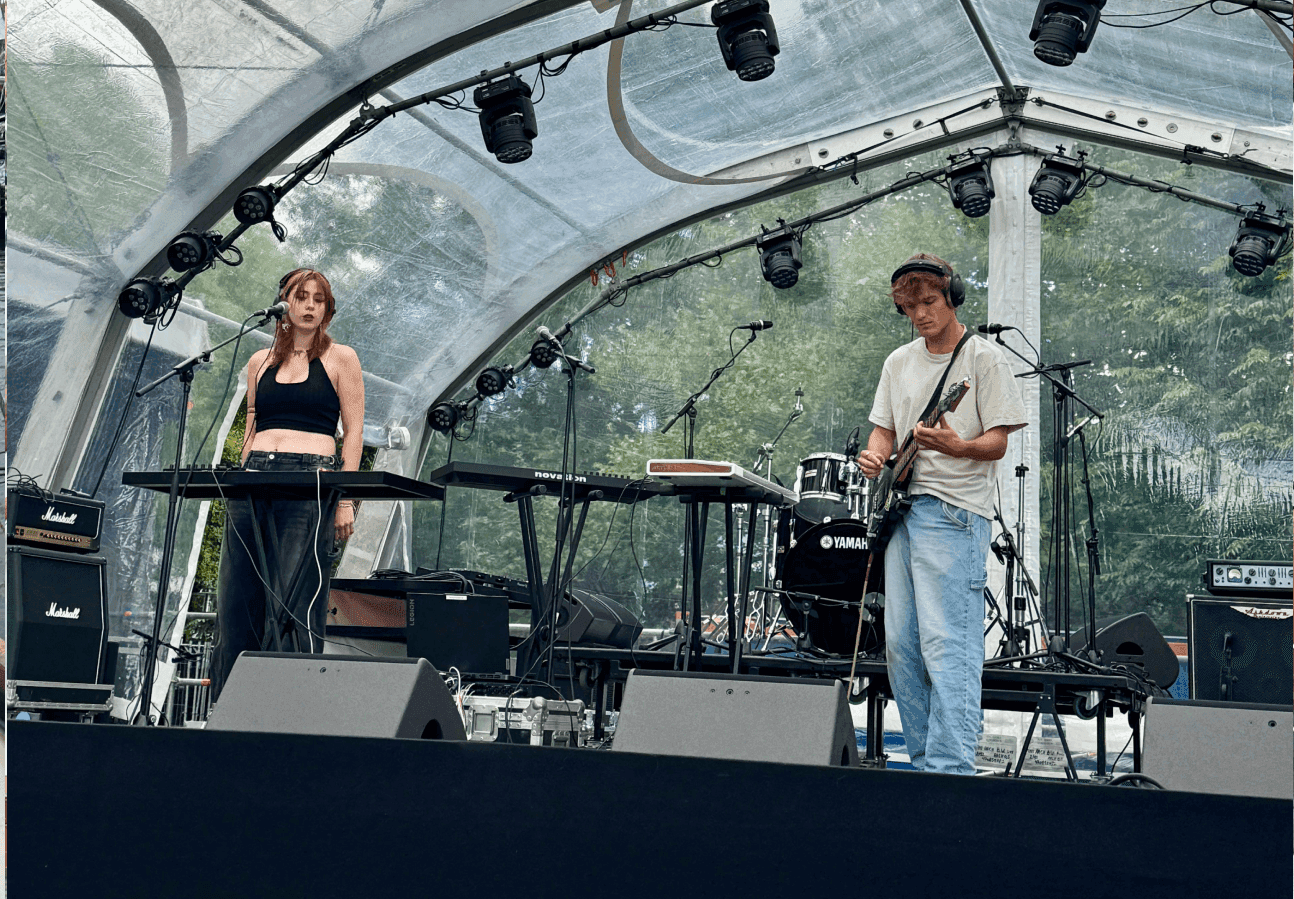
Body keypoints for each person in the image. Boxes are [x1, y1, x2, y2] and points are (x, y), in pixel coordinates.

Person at [856, 254, 1026, 775]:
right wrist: (875, 455)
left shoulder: (984, 359)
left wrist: (958, 446)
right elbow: (884, 429)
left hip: (955, 515)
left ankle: (951, 772)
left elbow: (999, 443)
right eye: (910, 308)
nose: (920, 315)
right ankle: (926, 764)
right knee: (902, 648)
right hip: (901, 514)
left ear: (953, 296)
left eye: (928, 302)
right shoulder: (897, 362)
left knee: (948, 647)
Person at [207, 268, 365, 702]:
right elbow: (251, 424)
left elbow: (353, 433)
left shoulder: (341, 358)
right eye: (301, 296)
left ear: (327, 309)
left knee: (292, 599)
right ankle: (229, 708)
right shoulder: (259, 361)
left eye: (319, 299)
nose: (309, 305)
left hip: (309, 479)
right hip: (255, 478)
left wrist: (345, 498)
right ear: (284, 303)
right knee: (236, 598)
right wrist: (242, 473)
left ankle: (288, 707)